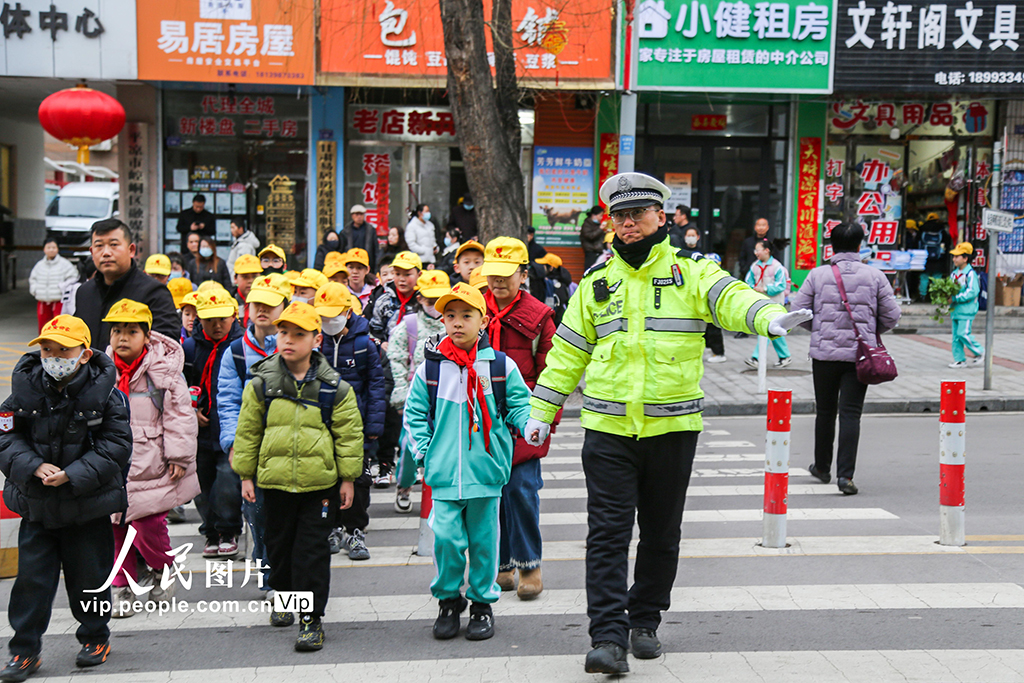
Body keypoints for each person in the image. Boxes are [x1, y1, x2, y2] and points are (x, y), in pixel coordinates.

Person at [524, 172, 810, 674]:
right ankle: (608, 637)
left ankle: (645, 621)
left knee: (661, 534)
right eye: (619, 215)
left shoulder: (692, 272)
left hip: (672, 429)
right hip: (608, 430)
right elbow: (566, 355)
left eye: (638, 214)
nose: (628, 223)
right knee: (607, 534)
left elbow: (731, 298)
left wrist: (767, 316)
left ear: (662, 216)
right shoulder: (595, 283)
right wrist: (541, 412)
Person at [0, 315, 132, 677]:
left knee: (89, 578)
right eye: (47, 349)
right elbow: (6, 437)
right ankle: (24, 650)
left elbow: (116, 447)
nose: (54, 356)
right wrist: (32, 467)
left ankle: (95, 636)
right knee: (31, 583)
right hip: (38, 506)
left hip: (86, 506)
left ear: (85, 354)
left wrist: (72, 475)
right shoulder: (23, 390)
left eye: (64, 350)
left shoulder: (108, 395)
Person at [232, 302, 364, 651]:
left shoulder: (334, 387)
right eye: (283, 332)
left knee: (311, 552)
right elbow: (248, 432)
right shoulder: (261, 383)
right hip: (273, 484)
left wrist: (348, 478)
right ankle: (285, 598)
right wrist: (246, 475)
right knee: (278, 549)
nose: (288, 340)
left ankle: (311, 619)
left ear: (316, 339)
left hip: (318, 485)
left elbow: (348, 435)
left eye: (298, 334)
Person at [404, 282, 532, 641]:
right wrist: (425, 451)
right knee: (445, 538)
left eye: (466, 315)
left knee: (484, 543)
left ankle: (481, 604)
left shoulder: (500, 367)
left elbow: (519, 406)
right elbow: (415, 413)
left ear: (483, 320)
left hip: (485, 473)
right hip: (443, 475)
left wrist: (528, 425)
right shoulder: (431, 368)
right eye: (450, 316)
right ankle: (448, 599)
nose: (457, 323)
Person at [101, 300, 199, 618]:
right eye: (117, 330)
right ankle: (123, 585)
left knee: (149, 527)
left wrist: (179, 456)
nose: (123, 338)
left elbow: (181, 414)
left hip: (153, 464)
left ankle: (162, 568)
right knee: (116, 528)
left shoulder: (163, 371)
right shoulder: (101, 371)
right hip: (112, 466)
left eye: (132, 331)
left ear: (147, 335)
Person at [790, 222, 901, 496]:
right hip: (859, 356)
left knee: (825, 412)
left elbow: (797, 311)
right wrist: (870, 333)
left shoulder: (817, 275)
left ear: (832, 246)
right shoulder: (875, 276)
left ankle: (822, 467)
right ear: (860, 246)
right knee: (851, 414)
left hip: (824, 355)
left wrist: (819, 331)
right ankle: (845, 476)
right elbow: (893, 315)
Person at [481, 238, 556, 600]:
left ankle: (529, 564)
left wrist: (545, 421)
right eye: (492, 275)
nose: (497, 283)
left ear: (523, 275)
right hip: (481, 414)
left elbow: (551, 372)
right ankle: (502, 564)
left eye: (505, 275)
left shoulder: (540, 316)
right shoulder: (472, 307)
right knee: (491, 493)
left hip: (525, 413)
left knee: (522, 489)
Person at [216, 273, 290, 599]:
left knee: (289, 516)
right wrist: (232, 444)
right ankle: (269, 575)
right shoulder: (235, 353)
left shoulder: (296, 345)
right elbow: (227, 401)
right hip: (255, 451)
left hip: (292, 447)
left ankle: (285, 571)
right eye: (257, 303)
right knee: (258, 514)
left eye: (270, 304)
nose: (262, 310)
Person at [315, 283, 385, 560]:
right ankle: (331, 527)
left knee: (358, 480)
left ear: (347, 311)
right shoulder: (316, 341)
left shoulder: (364, 345)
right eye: (323, 316)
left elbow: (376, 386)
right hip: (322, 427)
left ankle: (356, 531)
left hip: (356, 427)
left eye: (334, 314)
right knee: (326, 480)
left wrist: (374, 426)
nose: (329, 321)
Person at [182, 290, 244, 559]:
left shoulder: (241, 346)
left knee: (228, 481)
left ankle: (228, 530)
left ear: (233, 317)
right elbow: (178, 387)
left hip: (230, 427)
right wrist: (190, 408)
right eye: (209, 320)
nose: (217, 326)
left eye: (222, 319)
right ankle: (210, 531)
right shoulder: (190, 348)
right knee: (201, 482)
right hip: (199, 431)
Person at [386, 270, 449, 511]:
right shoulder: (408, 325)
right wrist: (401, 398)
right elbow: (396, 361)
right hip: (416, 398)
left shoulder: (454, 323)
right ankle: (404, 485)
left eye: (439, 300)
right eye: (429, 300)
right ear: (420, 298)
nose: (434, 306)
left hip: (447, 399)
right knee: (409, 448)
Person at [75, 219, 179, 350]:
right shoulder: (84, 292)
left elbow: (168, 347)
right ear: (92, 252)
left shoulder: (154, 292)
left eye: (113, 244)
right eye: (99, 246)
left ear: (131, 250)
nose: (106, 252)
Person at [743, 239, 792, 369]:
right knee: (773, 331)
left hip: (775, 305)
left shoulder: (777, 267)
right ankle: (785, 356)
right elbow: (748, 281)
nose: (756, 253)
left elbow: (781, 285)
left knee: (765, 330)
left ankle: (756, 358)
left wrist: (765, 289)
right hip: (761, 304)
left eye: (758, 250)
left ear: (766, 250)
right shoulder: (754, 266)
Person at [948, 242, 985, 369]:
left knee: (963, 333)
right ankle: (959, 360)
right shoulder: (954, 274)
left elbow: (973, 291)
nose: (954, 259)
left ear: (965, 258)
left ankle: (980, 351)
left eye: (957, 256)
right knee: (956, 337)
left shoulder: (970, 274)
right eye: (954, 256)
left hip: (967, 310)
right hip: (955, 310)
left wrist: (957, 298)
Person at [29, 239, 78, 332]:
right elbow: (33, 279)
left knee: (59, 326)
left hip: (59, 302)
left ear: (57, 249)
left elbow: (73, 277)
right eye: (48, 247)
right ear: (44, 249)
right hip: (43, 302)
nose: (51, 250)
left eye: (53, 247)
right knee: (43, 327)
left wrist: (62, 288)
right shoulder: (39, 265)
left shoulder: (65, 264)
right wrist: (34, 290)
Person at [918, 213, 952, 300]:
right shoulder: (941, 230)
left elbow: (916, 243)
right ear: (937, 220)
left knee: (924, 277)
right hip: (938, 258)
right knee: (937, 276)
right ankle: (936, 295)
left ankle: (923, 295)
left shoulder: (922, 229)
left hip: (924, 258)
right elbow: (947, 242)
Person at [534, 253, 573, 326]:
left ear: (551, 268)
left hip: (555, 323)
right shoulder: (545, 280)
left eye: (544, 265)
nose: (541, 267)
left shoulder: (558, 285)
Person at [340, 205, 380, 271]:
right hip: (351, 263)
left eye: (361, 214)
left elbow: (375, 249)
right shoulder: (345, 231)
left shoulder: (370, 230)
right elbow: (342, 250)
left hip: (367, 264)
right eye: (356, 214)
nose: (359, 217)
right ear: (352, 216)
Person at [232, 254, 263, 326]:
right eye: (245, 277)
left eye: (254, 276)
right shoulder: (228, 301)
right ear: (235, 278)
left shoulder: (268, 301)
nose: (250, 281)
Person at [579, 206, 607, 271]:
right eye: (600, 215)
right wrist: (600, 229)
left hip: (599, 252)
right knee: (590, 270)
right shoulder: (587, 224)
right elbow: (590, 236)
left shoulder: (597, 224)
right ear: (594, 215)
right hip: (591, 252)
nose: (601, 218)